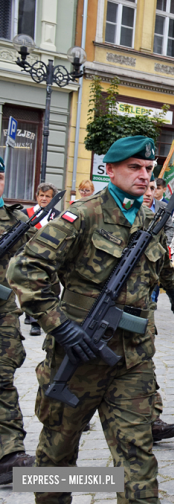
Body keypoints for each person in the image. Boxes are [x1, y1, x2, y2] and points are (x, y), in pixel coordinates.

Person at [8, 135, 174, 503]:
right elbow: (25, 270)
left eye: (148, 169)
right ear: (110, 170)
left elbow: (160, 264)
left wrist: (173, 288)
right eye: (134, 167)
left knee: (137, 459)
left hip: (132, 360)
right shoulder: (84, 214)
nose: (144, 176)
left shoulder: (150, 218)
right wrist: (59, 325)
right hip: (78, 356)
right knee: (57, 455)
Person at [0, 155, 35, 484]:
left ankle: (10, 453)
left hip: (3, 315)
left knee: (2, 378)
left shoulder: (15, 219)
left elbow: (33, 262)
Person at [24, 182, 61, 336]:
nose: (44, 199)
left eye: (48, 196)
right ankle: (34, 322)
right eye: (42, 195)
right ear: (37, 196)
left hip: (49, 259)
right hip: (30, 257)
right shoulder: (26, 213)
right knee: (31, 288)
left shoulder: (58, 216)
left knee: (48, 290)